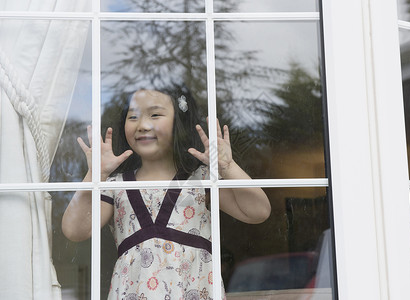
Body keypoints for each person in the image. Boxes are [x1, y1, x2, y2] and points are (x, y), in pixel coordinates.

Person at [62, 88, 271, 300]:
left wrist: (228, 166)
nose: (142, 125)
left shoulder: (202, 179)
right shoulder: (115, 185)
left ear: (178, 123)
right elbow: (73, 230)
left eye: (155, 115)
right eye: (132, 117)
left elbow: (258, 211)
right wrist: (94, 175)